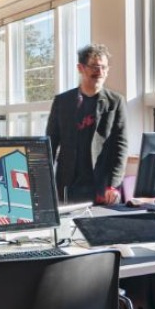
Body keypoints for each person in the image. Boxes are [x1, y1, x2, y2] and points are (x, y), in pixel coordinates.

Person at [46, 44, 128, 205]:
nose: (100, 73)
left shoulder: (115, 102)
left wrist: (113, 184)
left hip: (101, 184)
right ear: (80, 68)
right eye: (95, 67)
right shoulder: (62, 101)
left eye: (104, 67)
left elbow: (121, 145)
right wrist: (44, 181)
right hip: (68, 182)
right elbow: (51, 141)